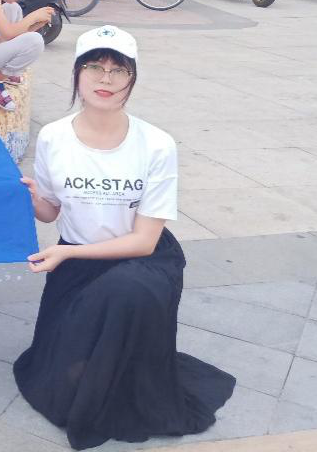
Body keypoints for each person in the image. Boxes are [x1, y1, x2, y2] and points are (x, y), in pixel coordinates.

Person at [14, 26, 235, 450]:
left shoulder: (156, 144)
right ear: (77, 74)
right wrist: (29, 197)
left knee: (123, 292)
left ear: (132, 79)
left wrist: (65, 253)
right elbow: (51, 211)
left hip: (142, 263)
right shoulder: (54, 137)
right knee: (62, 381)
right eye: (94, 67)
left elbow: (145, 241)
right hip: (76, 262)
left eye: (119, 70)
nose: (106, 79)